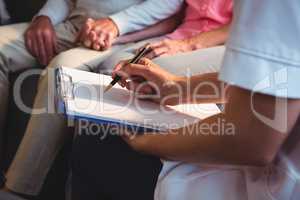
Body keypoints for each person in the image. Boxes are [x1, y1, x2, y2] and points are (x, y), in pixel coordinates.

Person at [72, 0, 300, 199]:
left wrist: (144, 143)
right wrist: (177, 87)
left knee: (97, 143)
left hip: (272, 184)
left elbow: (250, 140)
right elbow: (271, 81)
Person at [0, 0, 183, 198]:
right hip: (71, 25)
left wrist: (116, 23)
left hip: (123, 36)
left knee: (61, 74)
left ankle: (17, 189)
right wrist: (45, 18)